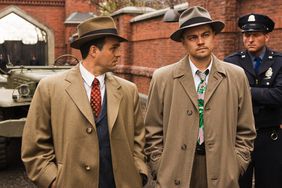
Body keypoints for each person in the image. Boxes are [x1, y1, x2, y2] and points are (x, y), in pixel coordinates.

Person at [21, 16, 148, 188]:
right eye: (114, 48)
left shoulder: (128, 90)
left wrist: (139, 173)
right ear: (94, 51)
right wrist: (53, 181)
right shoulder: (50, 88)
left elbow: (138, 141)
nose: (119, 53)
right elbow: (34, 147)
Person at [144, 6, 256, 187]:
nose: (200, 41)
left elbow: (246, 129)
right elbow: (152, 130)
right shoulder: (163, 77)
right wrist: (160, 165)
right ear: (183, 41)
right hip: (176, 170)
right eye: (192, 37)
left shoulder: (236, 76)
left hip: (222, 169)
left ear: (214, 37)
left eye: (205, 35)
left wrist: (236, 165)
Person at [224, 13, 282, 188]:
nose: (250, 39)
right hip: (239, 137)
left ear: (266, 36)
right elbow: (227, 96)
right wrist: (265, 93)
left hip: (270, 136)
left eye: (255, 35)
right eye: (246, 35)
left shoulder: (279, 62)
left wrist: (244, 91)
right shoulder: (231, 63)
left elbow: (279, 96)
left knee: (271, 182)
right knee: (238, 182)